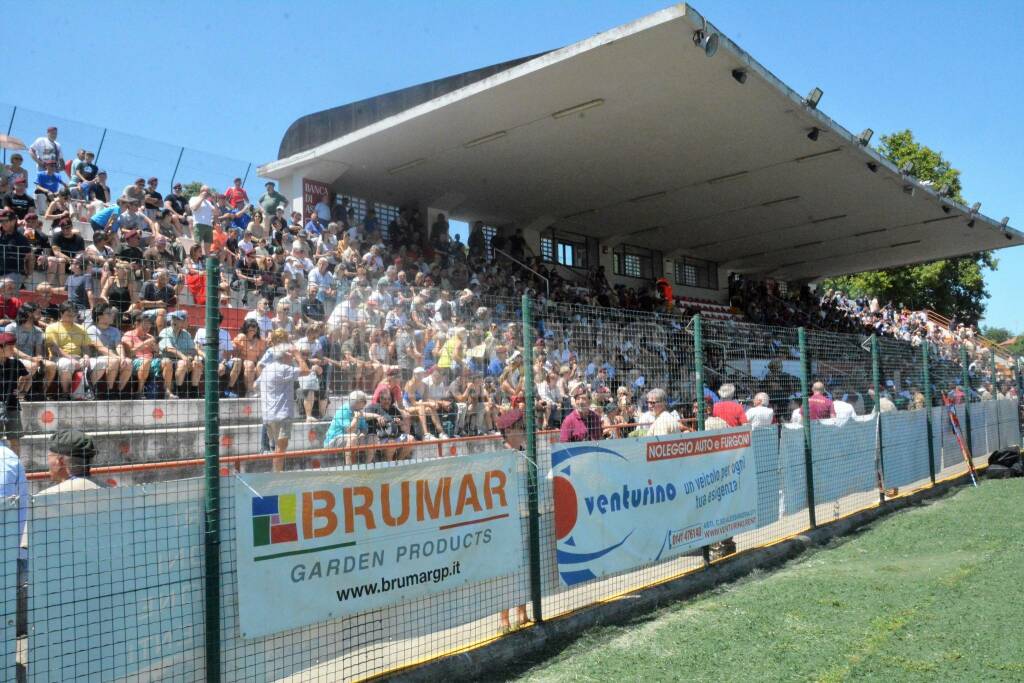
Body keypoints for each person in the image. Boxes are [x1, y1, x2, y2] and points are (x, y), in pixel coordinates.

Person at [495, 406, 530, 634]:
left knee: (523, 566)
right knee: (506, 568)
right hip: (506, 519)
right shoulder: (502, 456)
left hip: (523, 514)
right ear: (509, 431)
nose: (523, 432)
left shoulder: (526, 451)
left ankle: (522, 612)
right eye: (519, 429)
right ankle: (503, 618)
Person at [255, 343, 313, 471]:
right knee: (280, 450)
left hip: (268, 416)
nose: (292, 358)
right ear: (286, 355)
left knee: (275, 449)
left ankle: (276, 474)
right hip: (281, 416)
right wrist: (298, 355)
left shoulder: (267, 369)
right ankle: (277, 477)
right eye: (291, 356)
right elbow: (306, 370)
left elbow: (255, 385)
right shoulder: (283, 369)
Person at [45, 302, 113, 398]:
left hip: (79, 358)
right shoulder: (52, 328)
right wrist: (71, 358)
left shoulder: (81, 328)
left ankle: (87, 390)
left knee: (102, 362)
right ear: (61, 314)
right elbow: (55, 349)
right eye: (68, 315)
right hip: (59, 357)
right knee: (67, 364)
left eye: (73, 315)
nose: (71, 318)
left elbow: (85, 347)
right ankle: (66, 394)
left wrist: (86, 356)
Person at [121, 311, 173, 398]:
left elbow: (158, 354)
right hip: (134, 361)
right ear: (137, 324)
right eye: (145, 324)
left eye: (149, 324)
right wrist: (145, 343)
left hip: (150, 361)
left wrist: (156, 348)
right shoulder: (128, 335)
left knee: (167, 361)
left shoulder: (150, 337)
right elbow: (130, 353)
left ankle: (168, 391)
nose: (148, 327)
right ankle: (139, 391)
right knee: (146, 361)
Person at [37, 429, 103, 495]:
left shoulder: (45, 497)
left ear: (60, 462)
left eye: (48, 458)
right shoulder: (108, 489)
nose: (48, 463)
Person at [323, 390, 376, 465]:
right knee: (353, 437)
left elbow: (364, 428)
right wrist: (356, 418)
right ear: (357, 402)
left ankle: (367, 464)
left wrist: (362, 434)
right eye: (364, 401)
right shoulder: (344, 410)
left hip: (350, 440)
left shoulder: (358, 410)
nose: (365, 404)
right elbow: (350, 430)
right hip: (333, 441)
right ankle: (349, 466)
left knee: (373, 438)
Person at [159, 310, 203, 397]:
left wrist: (190, 358)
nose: (174, 321)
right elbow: (168, 348)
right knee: (179, 362)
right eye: (173, 319)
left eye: (177, 319)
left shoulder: (186, 334)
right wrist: (183, 356)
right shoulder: (165, 331)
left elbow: (192, 350)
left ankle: (194, 392)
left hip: (182, 360)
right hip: (167, 359)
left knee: (197, 361)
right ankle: (177, 391)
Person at [0, 332, 28, 453]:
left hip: (12, 405)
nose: (13, 350)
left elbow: (28, 376)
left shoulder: (15, 363)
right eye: (10, 347)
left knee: (15, 440)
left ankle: (15, 467)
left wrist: (22, 391)